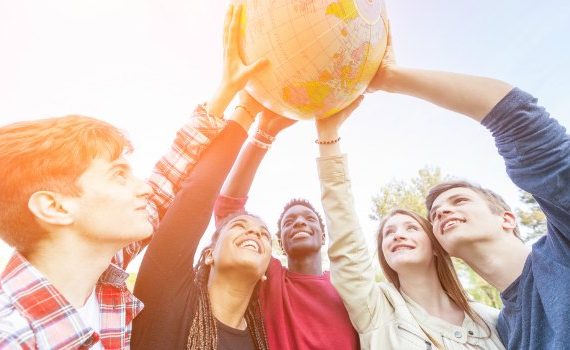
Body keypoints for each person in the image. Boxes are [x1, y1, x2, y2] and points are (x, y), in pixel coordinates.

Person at [0, 4, 266, 349]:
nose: (144, 188)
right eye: (119, 175)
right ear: (55, 206)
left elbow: (166, 180)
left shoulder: (102, 273)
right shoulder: (14, 336)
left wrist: (227, 95)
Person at [367, 26, 570, 350]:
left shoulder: (564, 246)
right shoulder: (500, 332)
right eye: (434, 215)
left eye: (459, 200)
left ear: (507, 218)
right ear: (440, 247)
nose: (443, 211)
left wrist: (388, 78)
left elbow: (520, 120)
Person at [131, 5, 274, 350]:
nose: (254, 230)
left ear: (267, 269)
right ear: (208, 254)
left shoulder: (264, 339)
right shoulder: (167, 294)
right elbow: (197, 193)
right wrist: (247, 110)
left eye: (264, 234)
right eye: (239, 226)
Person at [315, 97, 504, 349]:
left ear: (437, 246)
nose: (397, 235)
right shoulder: (376, 309)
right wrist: (328, 138)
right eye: (388, 234)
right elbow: (345, 237)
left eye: (411, 228)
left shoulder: (492, 319)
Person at [212, 108, 360, 349]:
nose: (300, 223)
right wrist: (263, 134)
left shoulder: (348, 286)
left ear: (323, 236)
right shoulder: (271, 280)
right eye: (289, 223)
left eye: (309, 219)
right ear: (280, 242)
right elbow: (228, 211)